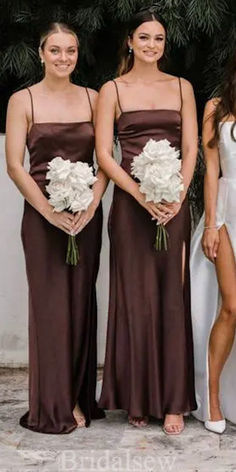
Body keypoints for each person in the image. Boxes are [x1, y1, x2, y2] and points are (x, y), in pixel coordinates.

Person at [96, 6, 198, 435]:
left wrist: (176, 197)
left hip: (173, 207)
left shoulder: (182, 87)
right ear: (130, 42)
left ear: (164, 44)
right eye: (144, 37)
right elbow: (105, 154)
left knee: (171, 300)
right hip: (130, 209)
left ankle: (173, 401)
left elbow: (191, 148)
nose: (152, 45)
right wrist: (140, 196)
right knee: (133, 300)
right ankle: (136, 396)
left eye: (158, 38)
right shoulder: (112, 89)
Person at [5, 22, 107, 434]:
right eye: (55, 50)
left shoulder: (94, 98)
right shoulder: (22, 100)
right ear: (41, 53)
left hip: (85, 217)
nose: (64, 58)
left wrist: (90, 204)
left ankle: (78, 397)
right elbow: (15, 165)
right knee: (50, 311)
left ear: (78, 54)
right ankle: (55, 405)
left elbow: (105, 161)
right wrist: (49, 211)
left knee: (80, 306)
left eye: (71, 51)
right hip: (42, 218)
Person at [190, 57, 236, 434]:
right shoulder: (217, 107)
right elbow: (212, 169)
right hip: (226, 213)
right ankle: (213, 399)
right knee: (231, 306)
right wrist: (210, 223)